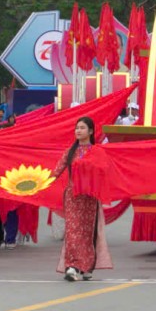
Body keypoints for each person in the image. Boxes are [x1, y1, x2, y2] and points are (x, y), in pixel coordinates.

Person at [52, 116, 111, 281]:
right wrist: (38, 183)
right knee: (72, 231)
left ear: (91, 131)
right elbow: (56, 171)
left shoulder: (98, 152)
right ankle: (72, 266)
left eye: (82, 128)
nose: (78, 130)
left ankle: (86, 265)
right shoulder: (70, 152)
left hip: (90, 199)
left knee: (87, 233)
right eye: (77, 127)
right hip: (72, 197)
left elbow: (104, 172)